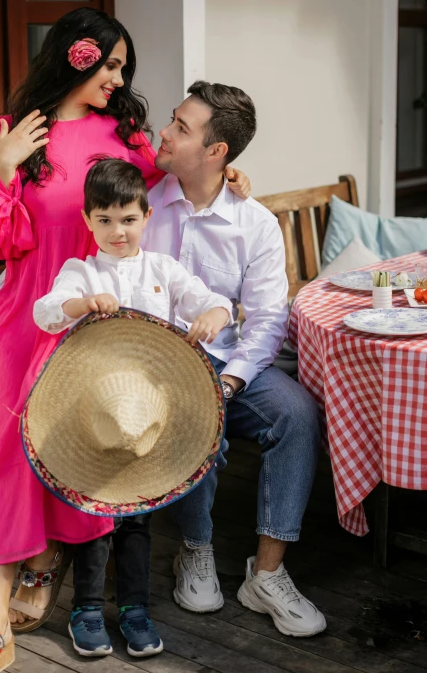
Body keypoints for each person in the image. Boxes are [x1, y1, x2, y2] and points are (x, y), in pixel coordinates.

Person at [0, 8, 250, 673]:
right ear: (74, 56)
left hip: (97, 323)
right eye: (109, 64)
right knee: (10, 455)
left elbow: (176, 175)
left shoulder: (125, 136)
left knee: (85, 441)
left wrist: (227, 179)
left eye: (122, 67)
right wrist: (2, 168)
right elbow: (1, 241)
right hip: (38, 312)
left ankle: (54, 561)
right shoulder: (9, 132)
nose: (117, 79)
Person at [141, 81, 326, 637]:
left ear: (217, 152)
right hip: (158, 370)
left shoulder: (256, 224)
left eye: (181, 127)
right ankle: (194, 550)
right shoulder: (143, 204)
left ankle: (265, 574)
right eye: (172, 121)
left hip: (234, 368)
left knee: (296, 413)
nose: (165, 133)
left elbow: (269, 320)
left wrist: (232, 381)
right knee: (204, 424)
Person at [30, 157, 232, 658]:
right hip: (97, 416)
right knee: (96, 517)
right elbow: (46, 311)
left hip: (146, 416)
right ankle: (88, 608)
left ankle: (136, 608)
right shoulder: (82, 271)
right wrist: (80, 303)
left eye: (128, 219)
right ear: (88, 221)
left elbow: (213, 301)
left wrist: (212, 314)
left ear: (146, 216)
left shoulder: (162, 268)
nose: (117, 231)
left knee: (138, 519)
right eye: (105, 220)